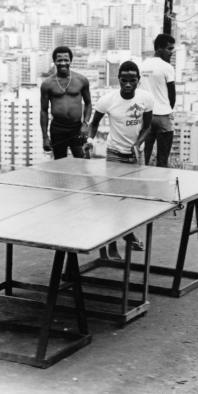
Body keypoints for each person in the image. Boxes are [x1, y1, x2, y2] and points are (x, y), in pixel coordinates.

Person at [86, 60, 154, 259]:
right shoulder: (107, 100)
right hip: (114, 154)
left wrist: (137, 144)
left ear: (138, 80)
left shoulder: (146, 99)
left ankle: (128, 234)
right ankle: (112, 246)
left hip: (134, 155)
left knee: (130, 200)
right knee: (114, 200)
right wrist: (90, 139)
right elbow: (94, 124)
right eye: (124, 80)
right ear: (119, 79)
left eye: (132, 80)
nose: (127, 84)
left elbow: (147, 127)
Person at [40, 46, 92, 159]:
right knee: (59, 163)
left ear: (70, 61)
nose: (63, 63)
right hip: (57, 128)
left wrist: (85, 124)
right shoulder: (47, 84)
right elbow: (44, 111)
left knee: (82, 161)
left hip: (76, 128)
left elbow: (88, 103)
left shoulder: (81, 80)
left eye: (66, 60)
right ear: (54, 61)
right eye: (59, 60)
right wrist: (45, 137)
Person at [139, 33, 176, 168]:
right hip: (163, 117)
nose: (171, 52)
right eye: (169, 49)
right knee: (162, 158)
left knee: (144, 156)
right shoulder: (167, 67)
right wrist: (168, 109)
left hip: (146, 116)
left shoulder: (142, 65)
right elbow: (172, 94)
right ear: (159, 48)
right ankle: (161, 186)